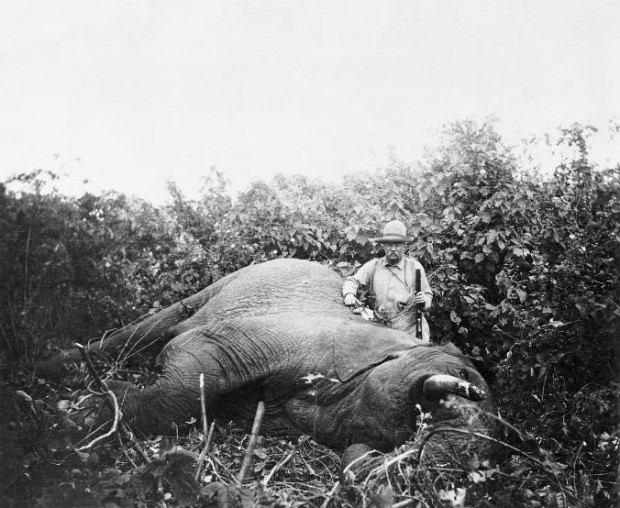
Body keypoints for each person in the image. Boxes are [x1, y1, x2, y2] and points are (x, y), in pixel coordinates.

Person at [342, 220, 433, 341]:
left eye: (398, 245)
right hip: (382, 329)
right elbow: (352, 281)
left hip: (410, 328)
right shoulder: (373, 266)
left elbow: (428, 295)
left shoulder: (414, 267)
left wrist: (424, 300)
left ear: (404, 246)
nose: (393, 249)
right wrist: (349, 294)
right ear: (383, 246)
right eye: (389, 245)